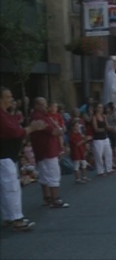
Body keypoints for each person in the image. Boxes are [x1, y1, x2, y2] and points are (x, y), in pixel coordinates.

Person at [0, 87, 47, 230]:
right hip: (4, 155)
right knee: (11, 188)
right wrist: (31, 128)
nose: (11, 99)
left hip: (9, 155)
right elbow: (14, 132)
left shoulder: (6, 114)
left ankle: (9, 216)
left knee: (6, 188)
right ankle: (16, 219)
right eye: (8, 97)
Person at [30, 97, 70, 208]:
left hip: (42, 151)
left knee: (44, 175)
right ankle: (55, 199)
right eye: (43, 104)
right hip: (48, 150)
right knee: (53, 174)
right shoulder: (39, 118)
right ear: (37, 106)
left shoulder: (41, 116)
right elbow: (54, 131)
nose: (46, 106)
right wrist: (62, 130)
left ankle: (47, 198)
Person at [92, 103, 114, 176]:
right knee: (98, 155)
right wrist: (105, 129)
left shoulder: (104, 116)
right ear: (96, 108)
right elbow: (96, 129)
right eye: (99, 107)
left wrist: (112, 128)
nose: (100, 109)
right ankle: (100, 171)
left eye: (101, 107)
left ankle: (109, 169)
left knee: (109, 153)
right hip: (98, 139)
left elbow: (107, 126)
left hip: (105, 137)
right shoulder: (94, 117)